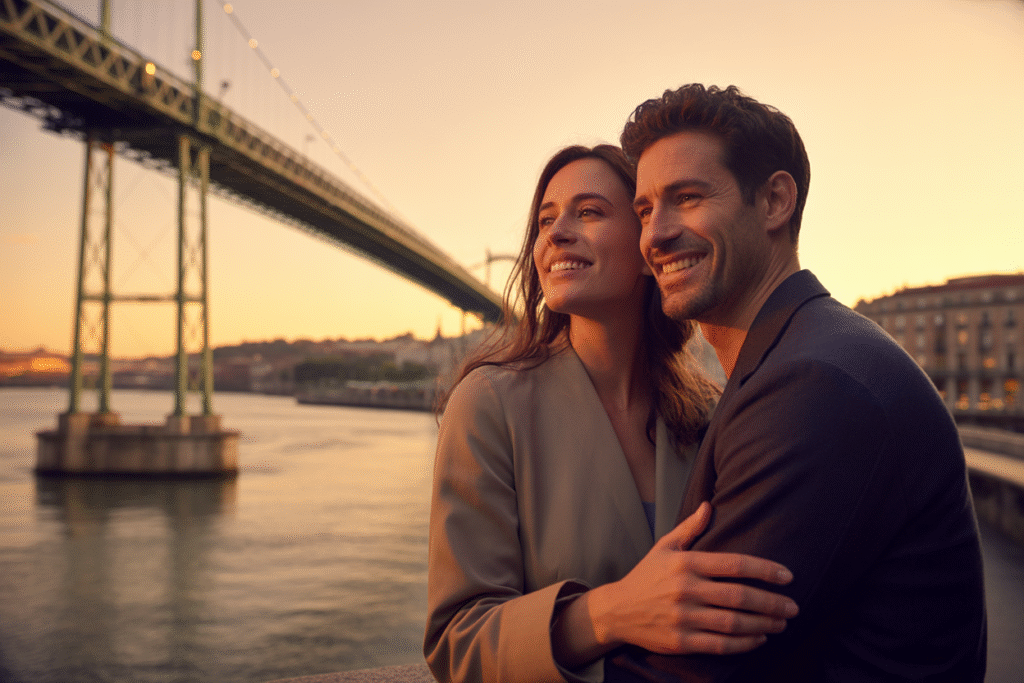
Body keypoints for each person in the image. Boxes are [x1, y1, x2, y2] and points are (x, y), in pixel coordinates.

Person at [604, 84, 987, 682]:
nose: (655, 235)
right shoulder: (804, 350)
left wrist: (573, 625)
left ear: (776, 201)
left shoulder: (813, 386)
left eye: (687, 197)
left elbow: (691, 667)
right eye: (645, 209)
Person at [424, 144, 800, 683]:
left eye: (590, 212)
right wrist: (614, 612)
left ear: (649, 244)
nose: (554, 234)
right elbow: (457, 643)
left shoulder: (710, 416)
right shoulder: (488, 405)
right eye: (545, 220)